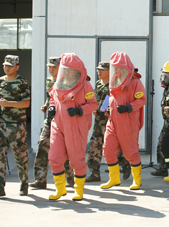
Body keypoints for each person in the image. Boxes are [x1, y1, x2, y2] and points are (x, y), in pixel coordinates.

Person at [48, 53, 98, 200]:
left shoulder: (85, 86)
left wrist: (79, 110)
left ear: (78, 72)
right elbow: (53, 98)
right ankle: (60, 189)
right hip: (58, 125)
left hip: (76, 127)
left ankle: (79, 190)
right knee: (54, 157)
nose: (67, 73)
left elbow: (93, 104)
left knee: (76, 160)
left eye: (70, 70)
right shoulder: (59, 83)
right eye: (65, 69)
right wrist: (52, 107)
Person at [101, 52, 147, 190]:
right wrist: (105, 107)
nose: (118, 71)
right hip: (113, 121)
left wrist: (128, 107)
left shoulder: (135, 82)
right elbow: (110, 96)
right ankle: (114, 179)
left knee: (130, 153)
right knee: (108, 150)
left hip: (128, 123)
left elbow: (142, 100)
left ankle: (137, 180)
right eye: (115, 68)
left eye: (121, 68)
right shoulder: (114, 81)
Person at [30, 57, 74, 189]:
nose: (51, 70)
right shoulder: (49, 80)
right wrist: (45, 105)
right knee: (42, 146)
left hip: (63, 122)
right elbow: (49, 97)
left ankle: (70, 177)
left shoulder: (68, 81)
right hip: (50, 121)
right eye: (49, 67)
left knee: (64, 150)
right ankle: (40, 179)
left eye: (54, 67)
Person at [0, 55, 31, 199]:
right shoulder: (1, 80)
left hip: (17, 125)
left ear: (17, 67)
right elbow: (1, 99)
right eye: (5, 65)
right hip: (2, 123)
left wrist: (9, 104)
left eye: (10, 65)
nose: (7, 68)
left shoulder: (21, 82)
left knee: (20, 156)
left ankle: (24, 183)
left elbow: (26, 103)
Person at [86, 61, 130, 182]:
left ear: (109, 71)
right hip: (98, 122)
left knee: (114, 147)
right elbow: (96, 99)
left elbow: (115, 100)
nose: (99, 72)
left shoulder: (114, 85)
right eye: (98, 69)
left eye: (102, 70)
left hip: (110, 121)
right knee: (94, 147)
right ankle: (94, 173)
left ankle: (126, 164)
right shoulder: (98, 84)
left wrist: (107, 109)